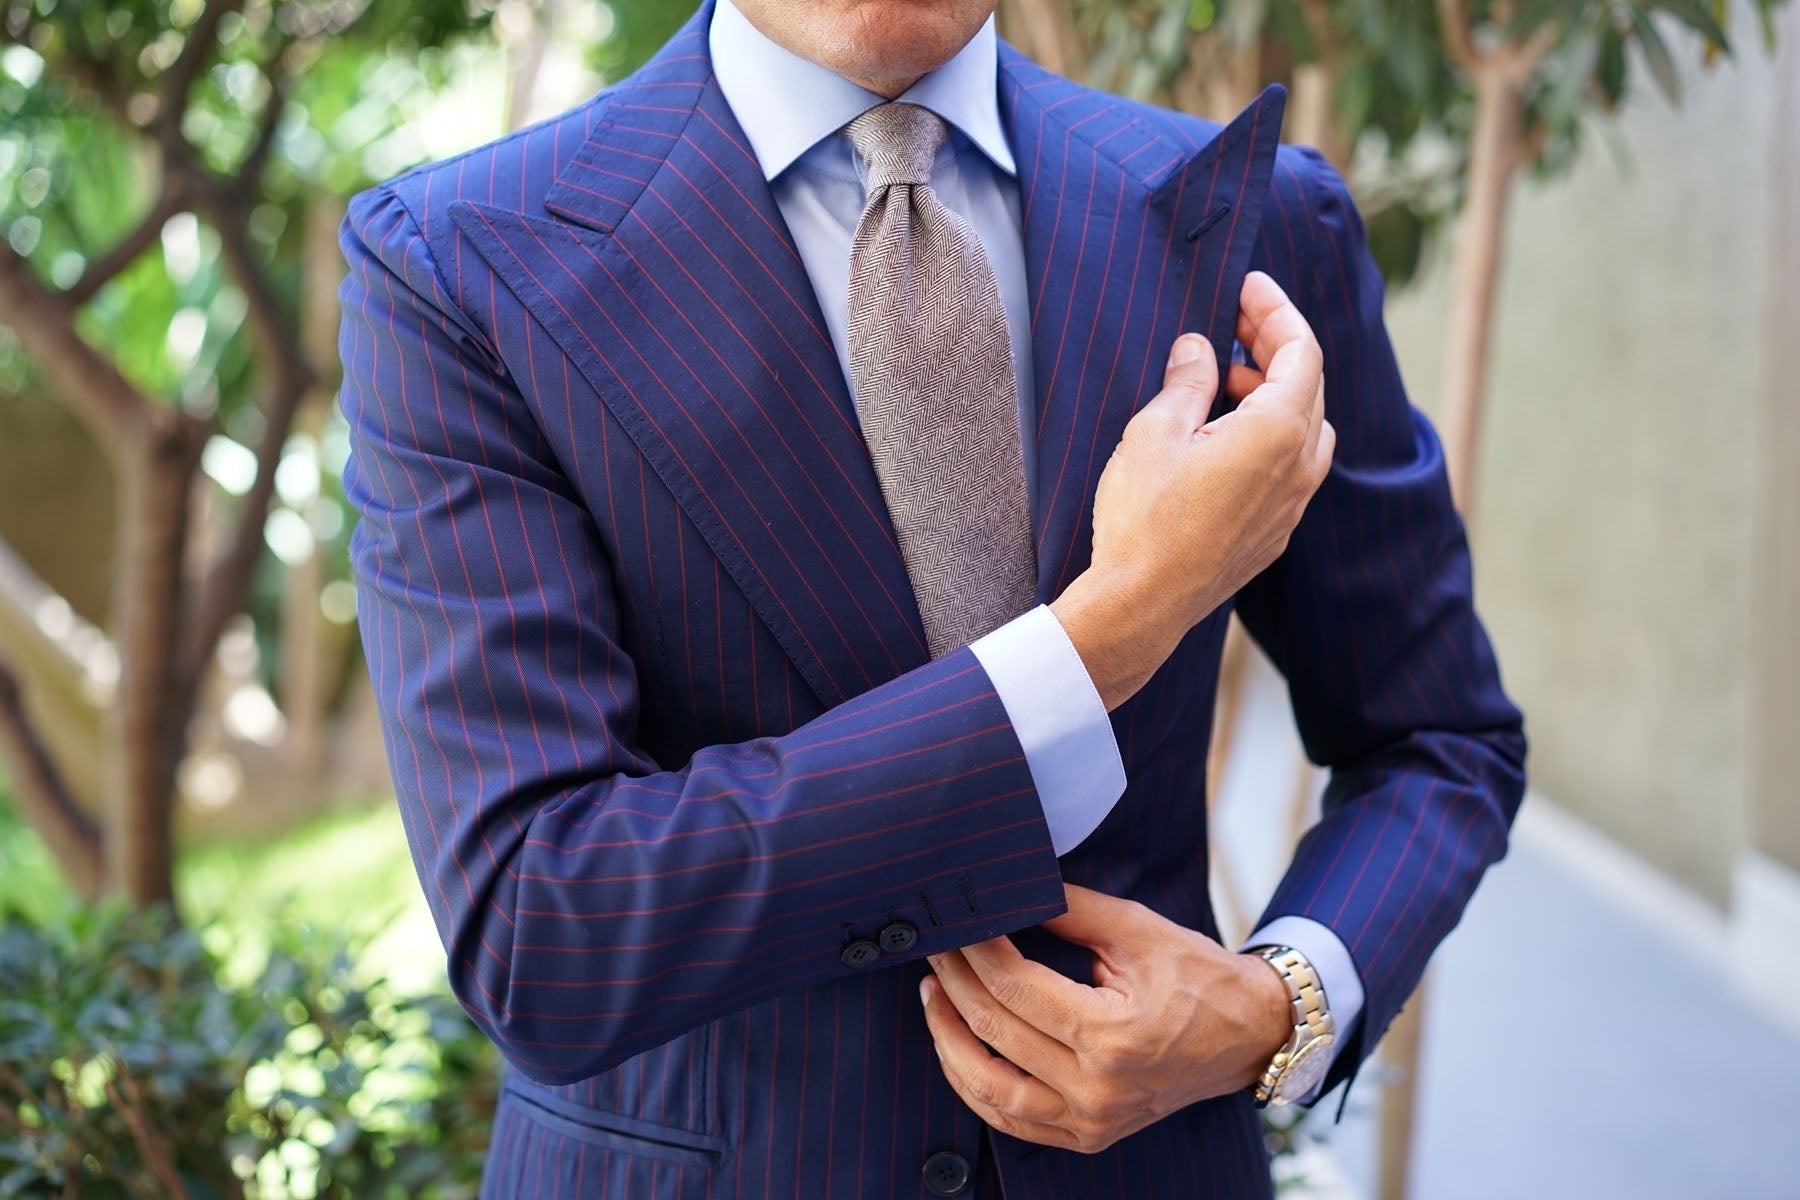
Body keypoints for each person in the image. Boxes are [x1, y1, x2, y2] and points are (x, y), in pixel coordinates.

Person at [336, 0, 1526, 1194]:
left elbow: (1437, 735)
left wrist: (1279, 1006)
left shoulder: (1253, 214)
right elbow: (545, 933)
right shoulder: (458, 264)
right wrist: (1115, 627)